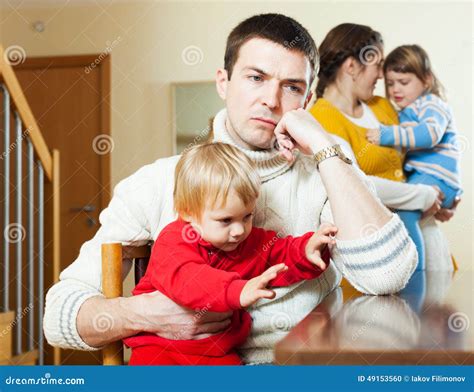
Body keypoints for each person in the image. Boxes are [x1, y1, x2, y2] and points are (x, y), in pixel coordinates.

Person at [44, 14, 416, 365]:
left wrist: (324, 145)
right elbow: (57, 317)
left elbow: (387, 276)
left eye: (291, 87)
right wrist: (137, 313)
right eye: (256, 77)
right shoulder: (156, 182)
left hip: (303, 367)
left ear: (308, 102)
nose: (271, 100)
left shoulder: (325, 171)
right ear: (223, 82)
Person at [124, 142, 336, 365]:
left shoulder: (249, 241)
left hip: (217, 352)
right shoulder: (174, 239)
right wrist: (239, 290)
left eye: (247, 216)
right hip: (160, 349)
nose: (239, 230)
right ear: (188, 212)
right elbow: (189, 279)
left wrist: (307, 249)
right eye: (225, 220)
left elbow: (279, 251)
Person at [309, 23, 458, 273]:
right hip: (381, 253)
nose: (381, 75)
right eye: (377, 65)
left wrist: (444, 194)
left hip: (425, 236)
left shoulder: (382, 106)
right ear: (352, 66)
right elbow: (356, 184)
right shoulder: (321, 120)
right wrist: (424, 196)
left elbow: (416, 156)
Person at [365, 44, 462, 270]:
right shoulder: (403, 110)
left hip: (437, 179)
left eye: (404, 82)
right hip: (428, 178)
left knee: (406, 209)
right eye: (390, 83)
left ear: (426, 80)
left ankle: (412, 267)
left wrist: (387, 135)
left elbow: (429, 134)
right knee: (403, 205)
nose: (396, 89)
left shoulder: (431, 104)